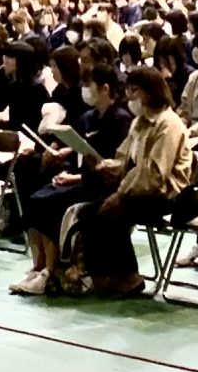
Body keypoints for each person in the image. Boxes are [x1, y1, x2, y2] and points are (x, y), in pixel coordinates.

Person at [53, 66, 191, 297]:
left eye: (134, 90)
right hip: (139, 189)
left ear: (150, 91)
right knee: (88, 213)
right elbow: (124, 159)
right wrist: (102, 164)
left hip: (166, 195)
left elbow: (154, 173)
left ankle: (129, 277)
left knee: (113, 212)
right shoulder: (139, 122)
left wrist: (121, 193)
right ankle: (104, 275)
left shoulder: (168, 125)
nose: (130, 96)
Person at [16, 64, 135, 295]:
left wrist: (75, 177)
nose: (85, 89)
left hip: (102, 185)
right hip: (82, 178)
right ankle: (38, 267)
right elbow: (78, 151)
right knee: (35, 198)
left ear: (105, 88)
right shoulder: (88, 117)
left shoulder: (120, 120)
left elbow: (116, 165)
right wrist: (66, 168)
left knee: (49, 203)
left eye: (89, 85)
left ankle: (50, 272)